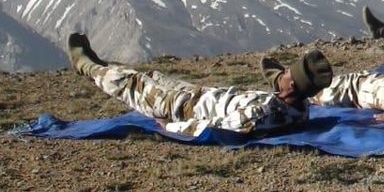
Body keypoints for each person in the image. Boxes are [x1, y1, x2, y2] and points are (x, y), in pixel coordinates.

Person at [66, 33, 333, 136]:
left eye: (287, 73)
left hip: (183, 107)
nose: (285, 73)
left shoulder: (263, 114)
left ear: (292, 87)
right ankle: (101, 65)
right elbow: (287, 97)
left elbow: (217, 127)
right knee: (151, 75)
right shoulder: (298, 107)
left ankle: (85, 67)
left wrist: (171, 126)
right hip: (197, 94)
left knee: (130, 84)